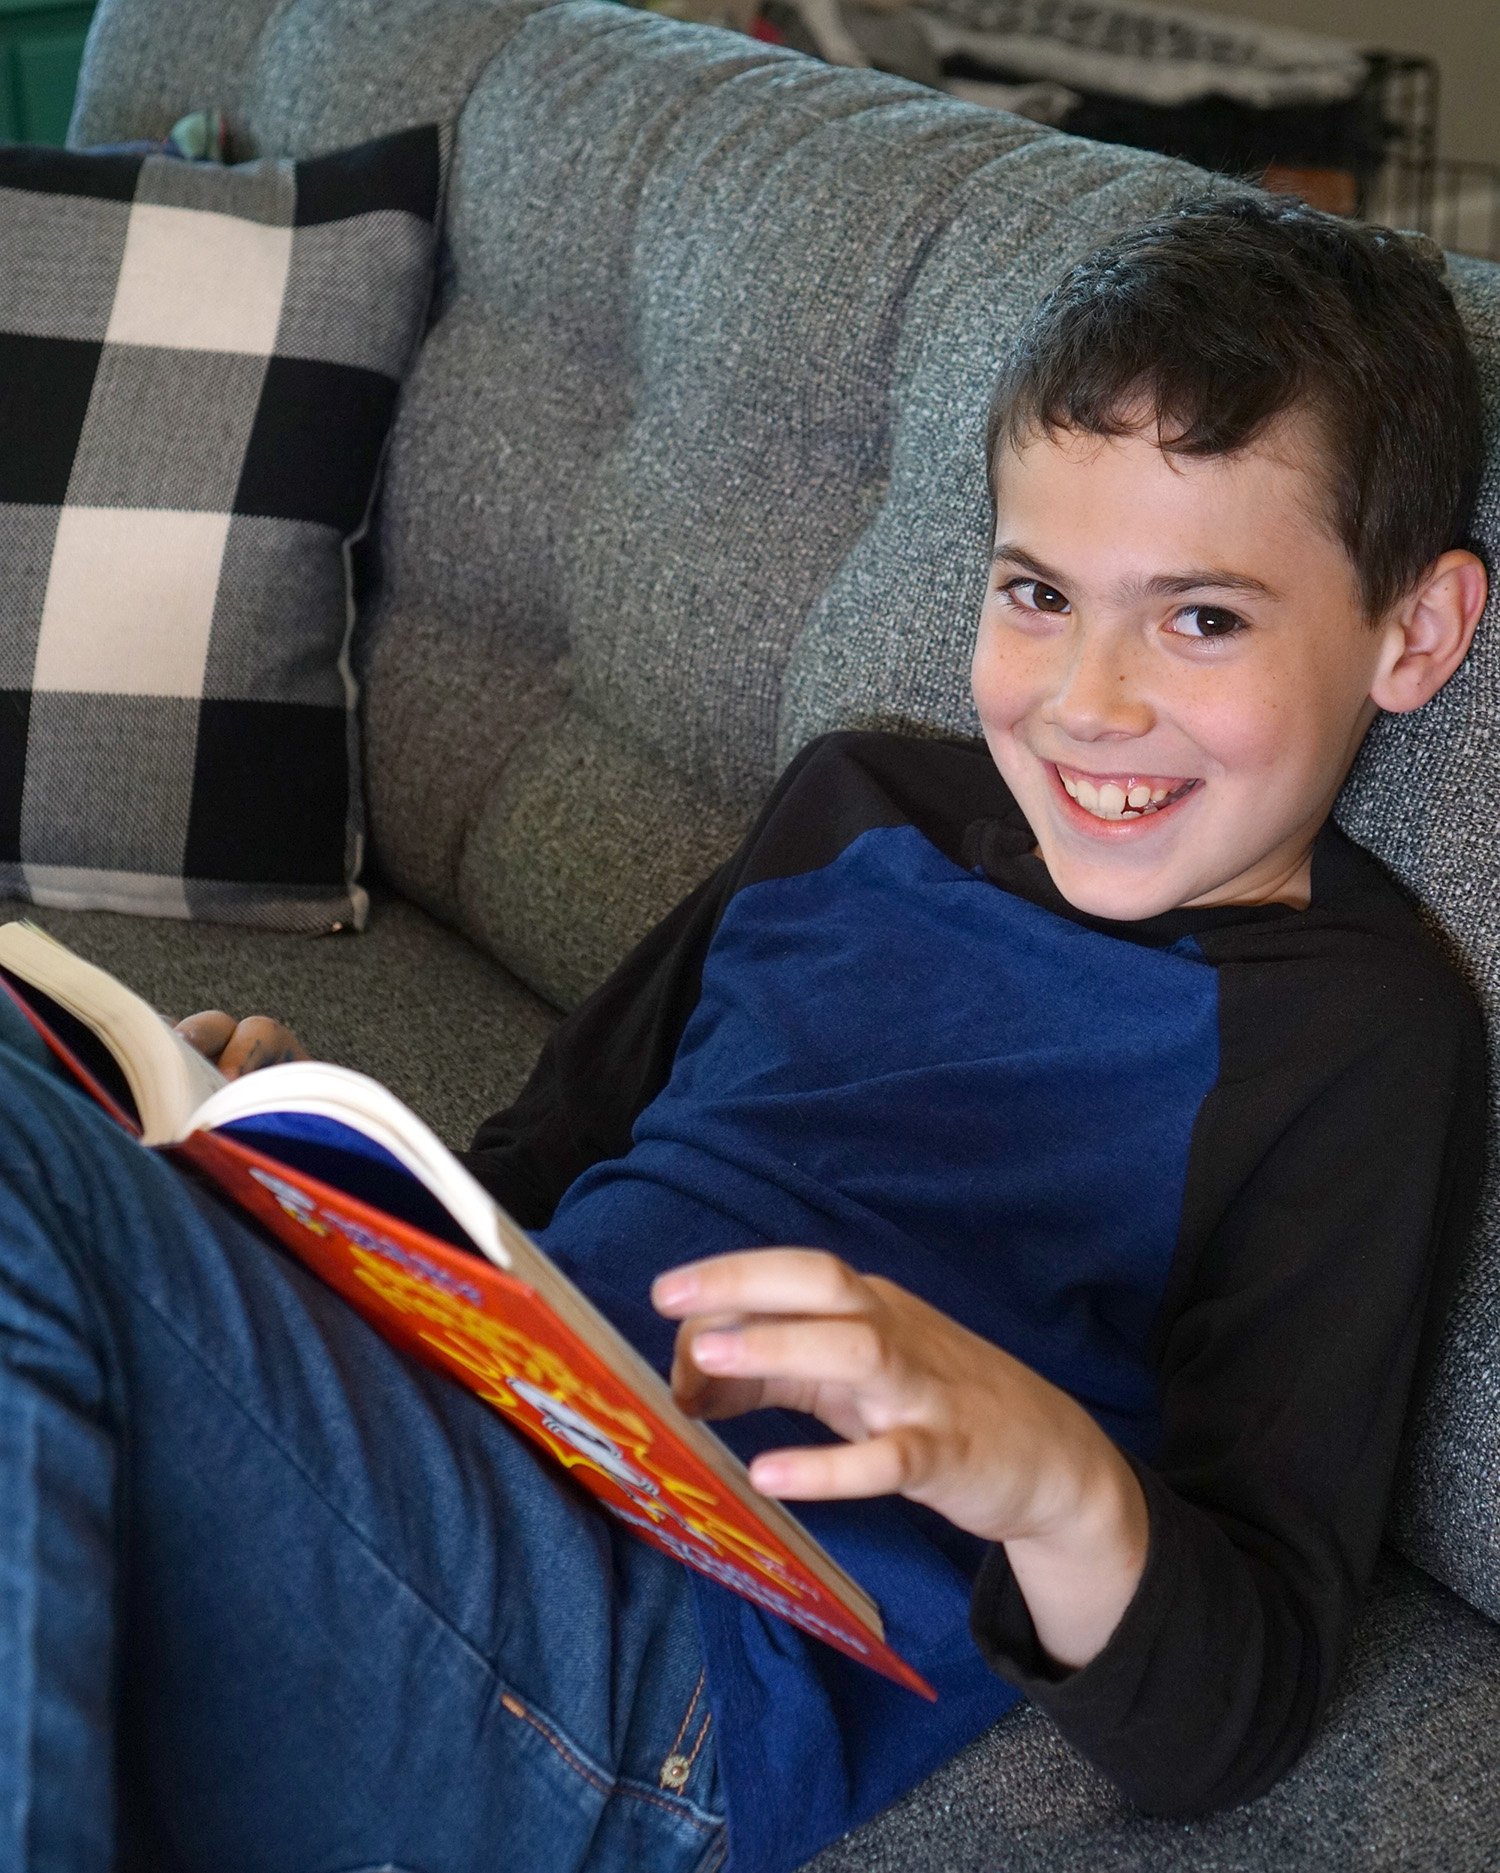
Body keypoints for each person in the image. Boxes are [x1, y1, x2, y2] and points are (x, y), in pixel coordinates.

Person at [0, 190, 1488, 1873]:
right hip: (465, 1459)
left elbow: (1241, 1705)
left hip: (664, 1674)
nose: (1089, 702)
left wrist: (1046, 1472)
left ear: (1413, 632)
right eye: (1037, 593)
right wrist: (287, 1180)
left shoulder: (1356, 1034)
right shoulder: (858, 797)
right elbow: (537, 1176)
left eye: (1202, 617)